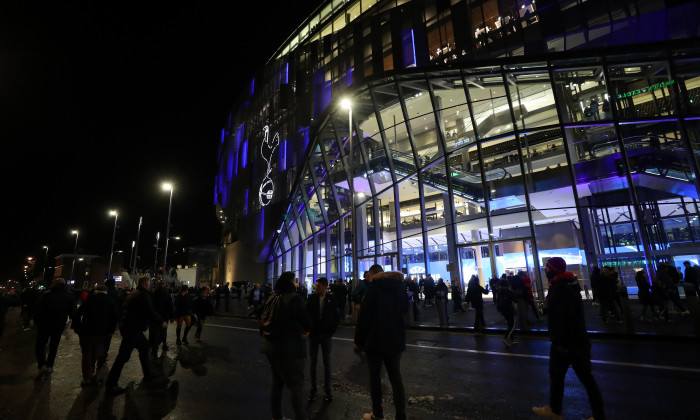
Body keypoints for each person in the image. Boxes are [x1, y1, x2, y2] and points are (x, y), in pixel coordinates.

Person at [533, 257, 606, 420]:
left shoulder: (560, 287)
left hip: (566, 342)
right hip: (578, 339)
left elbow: (566, 316)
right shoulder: (568, 283)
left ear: (554, 269)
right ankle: (597, 415)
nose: (546, 270)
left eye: (547, 267)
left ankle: (555, 410)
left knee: (558, 375)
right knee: (584, 378)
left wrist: (561, 342)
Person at [354, 265, 408, 420]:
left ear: (372, 274)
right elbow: (404, 310)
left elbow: (364, 317)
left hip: (375, 341)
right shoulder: (399, 287)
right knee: (396, 379)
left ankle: (377, 414)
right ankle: (401, 415)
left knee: (375, 379)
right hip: (395, 340)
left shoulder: (373, 288)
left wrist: (358, 341)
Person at [260, 271, 311, 420]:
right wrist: (304, 330)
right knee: (295, 385)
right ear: (290, 282)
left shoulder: (272, 297)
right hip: (289, 350)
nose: (297, 283)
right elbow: (306, 322)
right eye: (295, 281)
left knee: (277, 382)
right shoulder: (294, 299)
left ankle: (276, 416)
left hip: (270, 347)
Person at [105, 276, 167, 395]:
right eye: (149, 284)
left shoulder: (134, 293)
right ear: (145, 284)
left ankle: (148, 373)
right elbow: (149, 311)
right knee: (122, 357)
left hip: (132, 329)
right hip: (133, 330)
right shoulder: (143, 295)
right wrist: (161, 321)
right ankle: (111, 384)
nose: (150, 286)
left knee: (144, 348)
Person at [71, 285, 118, 386]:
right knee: (97, 352)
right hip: (101, 332)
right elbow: (114, 318)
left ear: (96, 291)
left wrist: (77, 327)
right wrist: (111, 330)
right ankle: (95, 372)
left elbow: (77, 314)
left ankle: (87, 376)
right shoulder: (110, 301)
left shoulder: (89, 300)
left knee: (86, 354)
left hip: (86, 331)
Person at [306, 277, 340, 402]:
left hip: (326, 335)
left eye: (319, 286)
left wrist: (331, 331)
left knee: (327, 363)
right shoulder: (311, 298)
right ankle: (313, 389)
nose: (317, 287)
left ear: (325, 286)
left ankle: (327, 390)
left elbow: (336, 316)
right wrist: (309, 328)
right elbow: (307, 314)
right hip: (314, 335)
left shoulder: (331, 298)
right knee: (313, 363)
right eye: (316, 285)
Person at [33, 277, 76, 376]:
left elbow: (37, 309)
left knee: (40, 344)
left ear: (54, 284)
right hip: (59, 324)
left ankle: (42, 364)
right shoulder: (69, 295)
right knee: (54, 346)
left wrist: (37, 322)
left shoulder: (46, 294)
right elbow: (73, 312)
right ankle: (49, 366)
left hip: (44, 323)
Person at [150, 279, 174, 358]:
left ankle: (161, 344)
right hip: (157, 317)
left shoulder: (166, 294)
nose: (162, 285)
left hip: (163, 316)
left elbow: (170, 305)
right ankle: (155, 348)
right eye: (161, 284)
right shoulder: (154, 293)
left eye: (163, 284)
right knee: (157, 333)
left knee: (163, 332)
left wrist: (171, 316)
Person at [496, 279, 517, 347]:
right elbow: (515, 299)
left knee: (509, 323)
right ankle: (506, 338)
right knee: (512, 324)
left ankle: (512, 339)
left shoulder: (500, 291)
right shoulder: (508, 291)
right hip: (509, 309)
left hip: (503, 310)